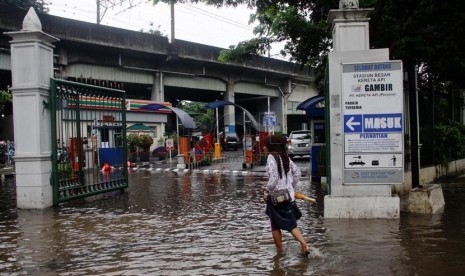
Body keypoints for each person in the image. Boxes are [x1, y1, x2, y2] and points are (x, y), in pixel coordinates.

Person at [262, 135, 309, 256]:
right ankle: (289, 249)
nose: (264, 147)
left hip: (277, 198)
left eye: (266, 145)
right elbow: (297, 173)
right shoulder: (285, 157)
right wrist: (290, 187)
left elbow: (274, 177)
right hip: (289, 197)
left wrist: (266, 191)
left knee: (276, 225)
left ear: (271, 146)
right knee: (290, 224)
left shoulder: (271, 157)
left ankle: (288, 249)